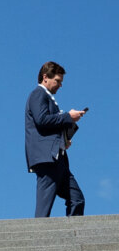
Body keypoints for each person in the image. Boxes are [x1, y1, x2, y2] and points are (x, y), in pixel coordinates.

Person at [25, 61, 86, 217]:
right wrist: (68, 117)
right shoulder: (38, 94)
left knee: (77, 199)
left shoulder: (47, 98)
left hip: (58, 159)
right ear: (45, 77)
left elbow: (48, 124)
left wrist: (63, 140)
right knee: (43, 210)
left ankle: (73, 237)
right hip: (47, 160)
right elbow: (42, 120)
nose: (60, 85)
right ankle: (38, 239)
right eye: (57, 81)